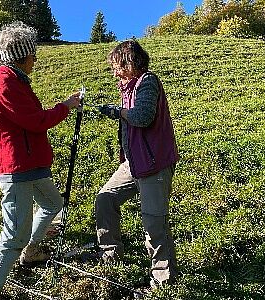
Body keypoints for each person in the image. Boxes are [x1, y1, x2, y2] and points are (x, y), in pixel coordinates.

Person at [0, 22, 81, 300]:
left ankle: (32, 250)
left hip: (31, 163)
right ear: (21, 56)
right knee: (14, 233)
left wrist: (63, 106)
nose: (35, 59)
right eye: (32, 54)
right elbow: (36, 122)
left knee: (52, 203)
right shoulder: (5, 84)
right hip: (17, 168)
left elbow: (30, 122)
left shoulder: (17, 81)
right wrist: (66, 107)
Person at [95, 40, 179, 290]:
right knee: (105, 199)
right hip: (134, 163)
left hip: (153, 163)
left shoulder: (147, 81)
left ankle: (164, 279)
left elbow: (142, 117)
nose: (114, 72)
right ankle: (110, 253)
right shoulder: (128, 88)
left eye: (116, 66)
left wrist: (117, 112)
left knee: (154, 222)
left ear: (129, 62)